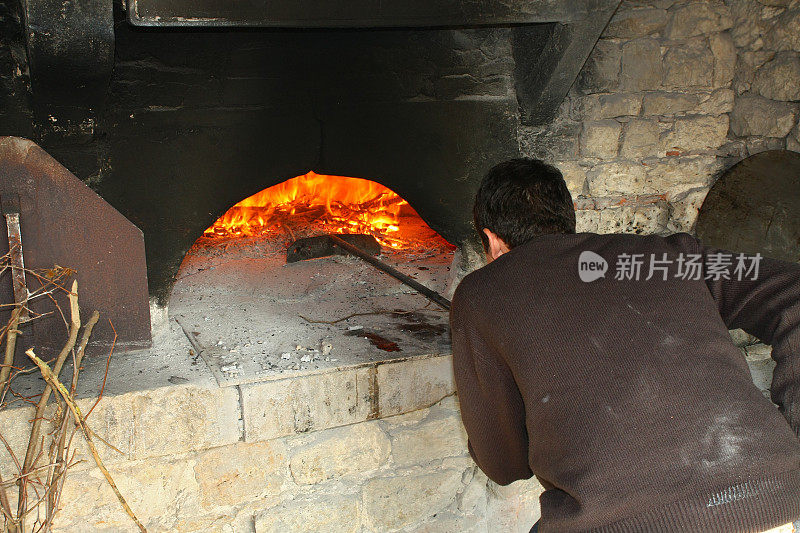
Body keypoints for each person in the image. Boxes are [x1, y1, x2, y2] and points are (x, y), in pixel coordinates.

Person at [450, 158, 800, 533]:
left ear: (492, 241)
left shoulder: (480, 293)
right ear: (567, 221)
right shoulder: (667, 256)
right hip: (776, 498)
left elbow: (505, 466)